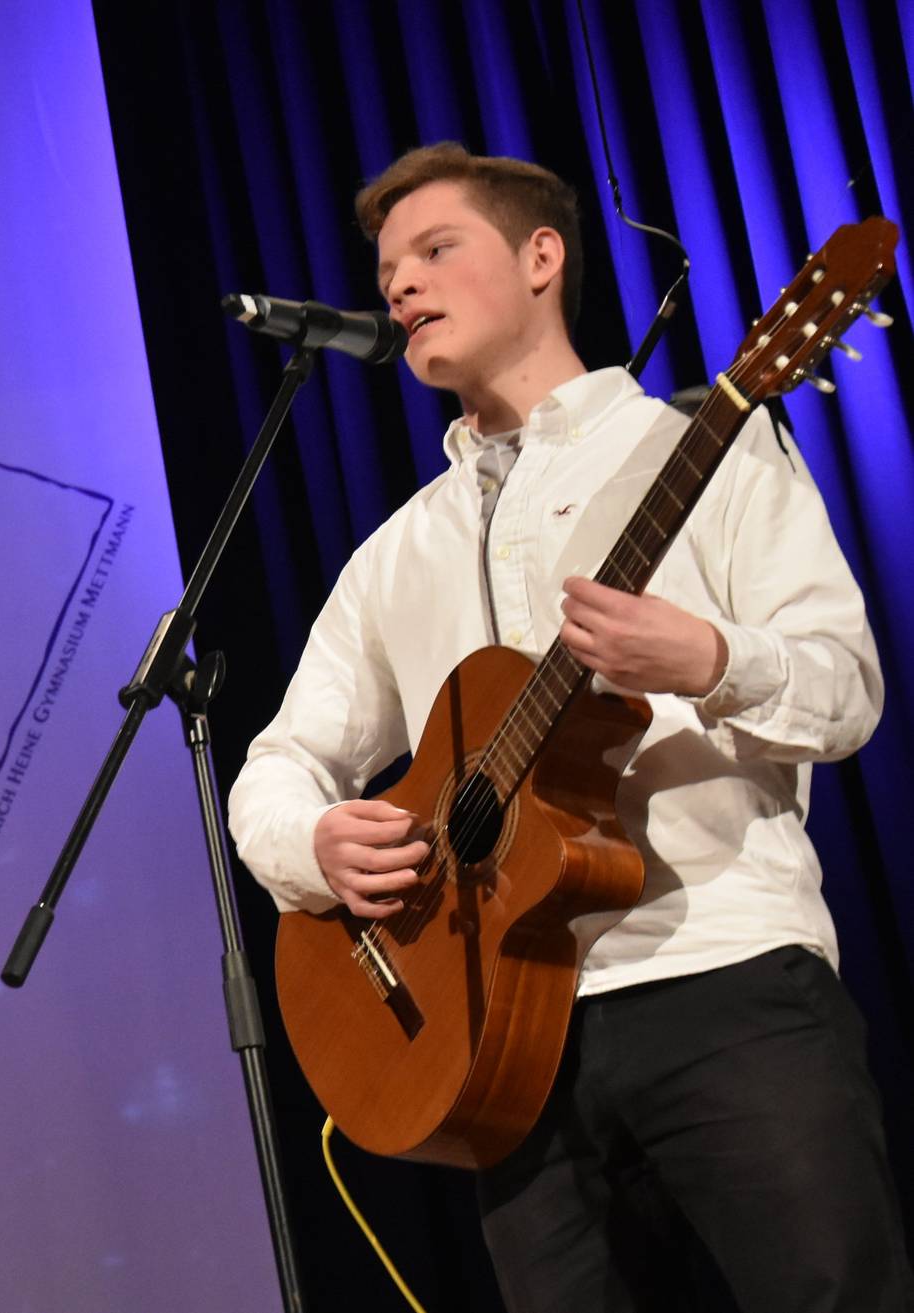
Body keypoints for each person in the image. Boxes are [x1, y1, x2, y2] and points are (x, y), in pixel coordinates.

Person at [227, 143, 911, 1309]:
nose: (398, 285)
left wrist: (706, 657)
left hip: (723, 976)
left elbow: (845, 690)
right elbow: (277, 766)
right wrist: (315, 843)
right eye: (388, 267)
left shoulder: (717, 444)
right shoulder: (399, 549)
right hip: (506, 1043)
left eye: (436, 249)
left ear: (542, 257)